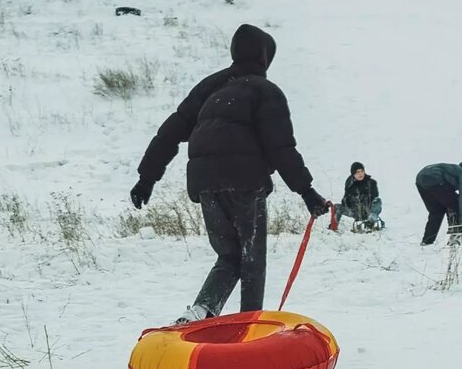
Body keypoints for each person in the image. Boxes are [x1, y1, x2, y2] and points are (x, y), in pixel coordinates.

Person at [130, 24, 330, 324]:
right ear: (264, 57)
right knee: (251, 260)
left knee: (229, 257)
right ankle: (249, 328)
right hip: (245, 182)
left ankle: (200, 311)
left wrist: (147, 178)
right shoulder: (265, 91)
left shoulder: (210, 87)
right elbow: (281, 147)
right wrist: (307, 191)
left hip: (205, 183)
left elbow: (169, 132)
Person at [415, 162, 462, 246]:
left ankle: (427, 242)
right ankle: (456, 236)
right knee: (455, 203)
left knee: (437, 211)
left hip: (421, 179)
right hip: (434, 178)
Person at [336, 162, 384, 232]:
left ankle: (372, 220)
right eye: (357, 172)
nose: (360, 174)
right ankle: (333, 227)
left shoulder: (371, 183)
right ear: (353, 174)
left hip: (368, 210)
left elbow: (374, 196)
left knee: (377, 200)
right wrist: (350, 198)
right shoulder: (350, 184)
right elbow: (344, 201)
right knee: (337, 207)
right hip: (355, 211)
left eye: (362, 171)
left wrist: (362, 198)